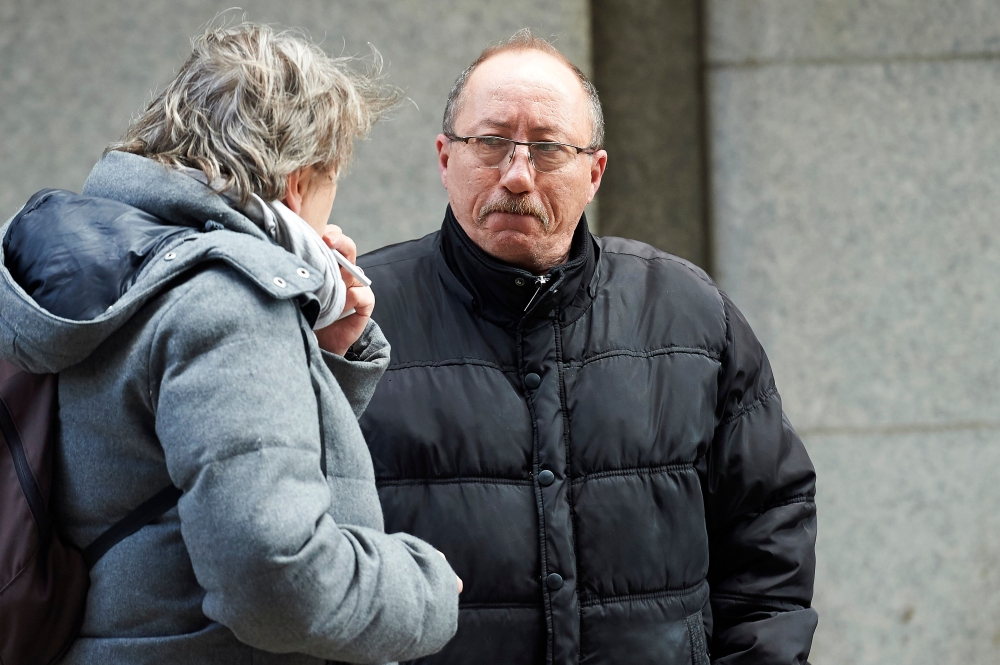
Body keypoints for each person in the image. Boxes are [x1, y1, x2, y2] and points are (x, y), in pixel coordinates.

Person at [0, 23, 460, 663]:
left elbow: (170, 467)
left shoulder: (122, 273)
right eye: (331, 186)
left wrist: (320, 356)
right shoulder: (230, 299)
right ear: (298, 182)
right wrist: (425, 588)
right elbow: (277, 583)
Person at [358, 29, 817, 664]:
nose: (517, 176)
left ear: (594, 172)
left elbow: (769, 528)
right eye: (490, 143)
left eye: (547, 149)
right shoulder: (358, 321)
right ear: (444, 157)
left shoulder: (688, 314)